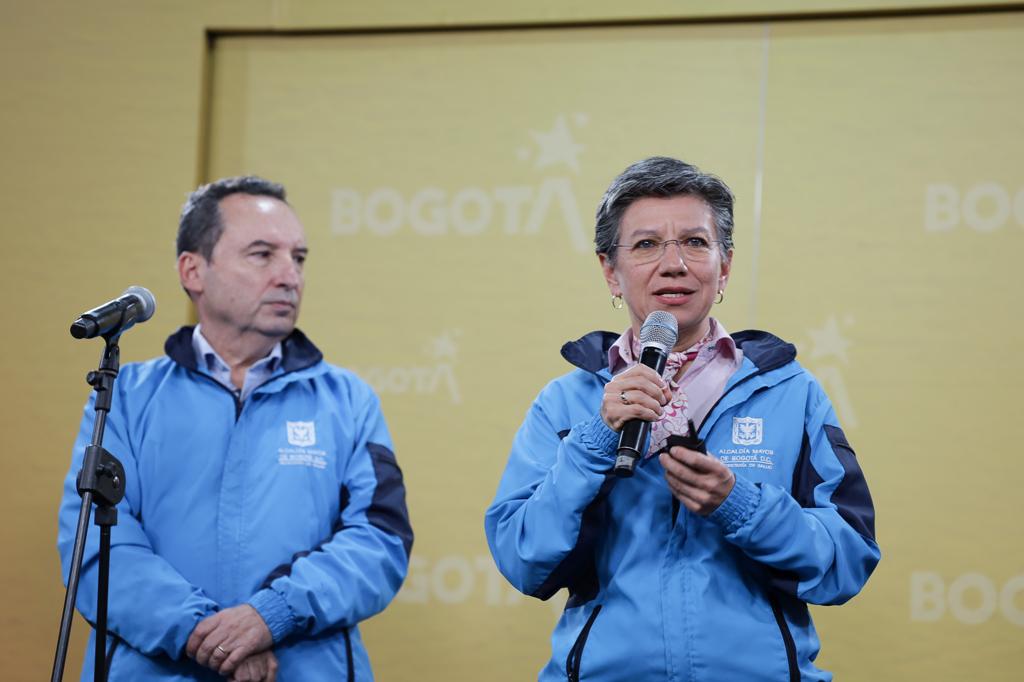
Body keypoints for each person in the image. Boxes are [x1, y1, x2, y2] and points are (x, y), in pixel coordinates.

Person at [485, 157, 879, 681]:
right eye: (647, 245)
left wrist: (741, 508)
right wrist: (595, 443)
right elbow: (522, 559)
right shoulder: (565, 403)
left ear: (725, 266)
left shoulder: (791, 391)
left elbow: (846, 561)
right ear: (610, 270)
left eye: (695, 242)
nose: (674, 264)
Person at [57, 176, 413, 681]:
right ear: (194, 270)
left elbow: (381, 542)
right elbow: (93, 548)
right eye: (263, 254)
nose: (289, 276)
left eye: (300, 258)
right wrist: (205, 634)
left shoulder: (348, 400)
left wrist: (271, 617)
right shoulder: (126, 397)